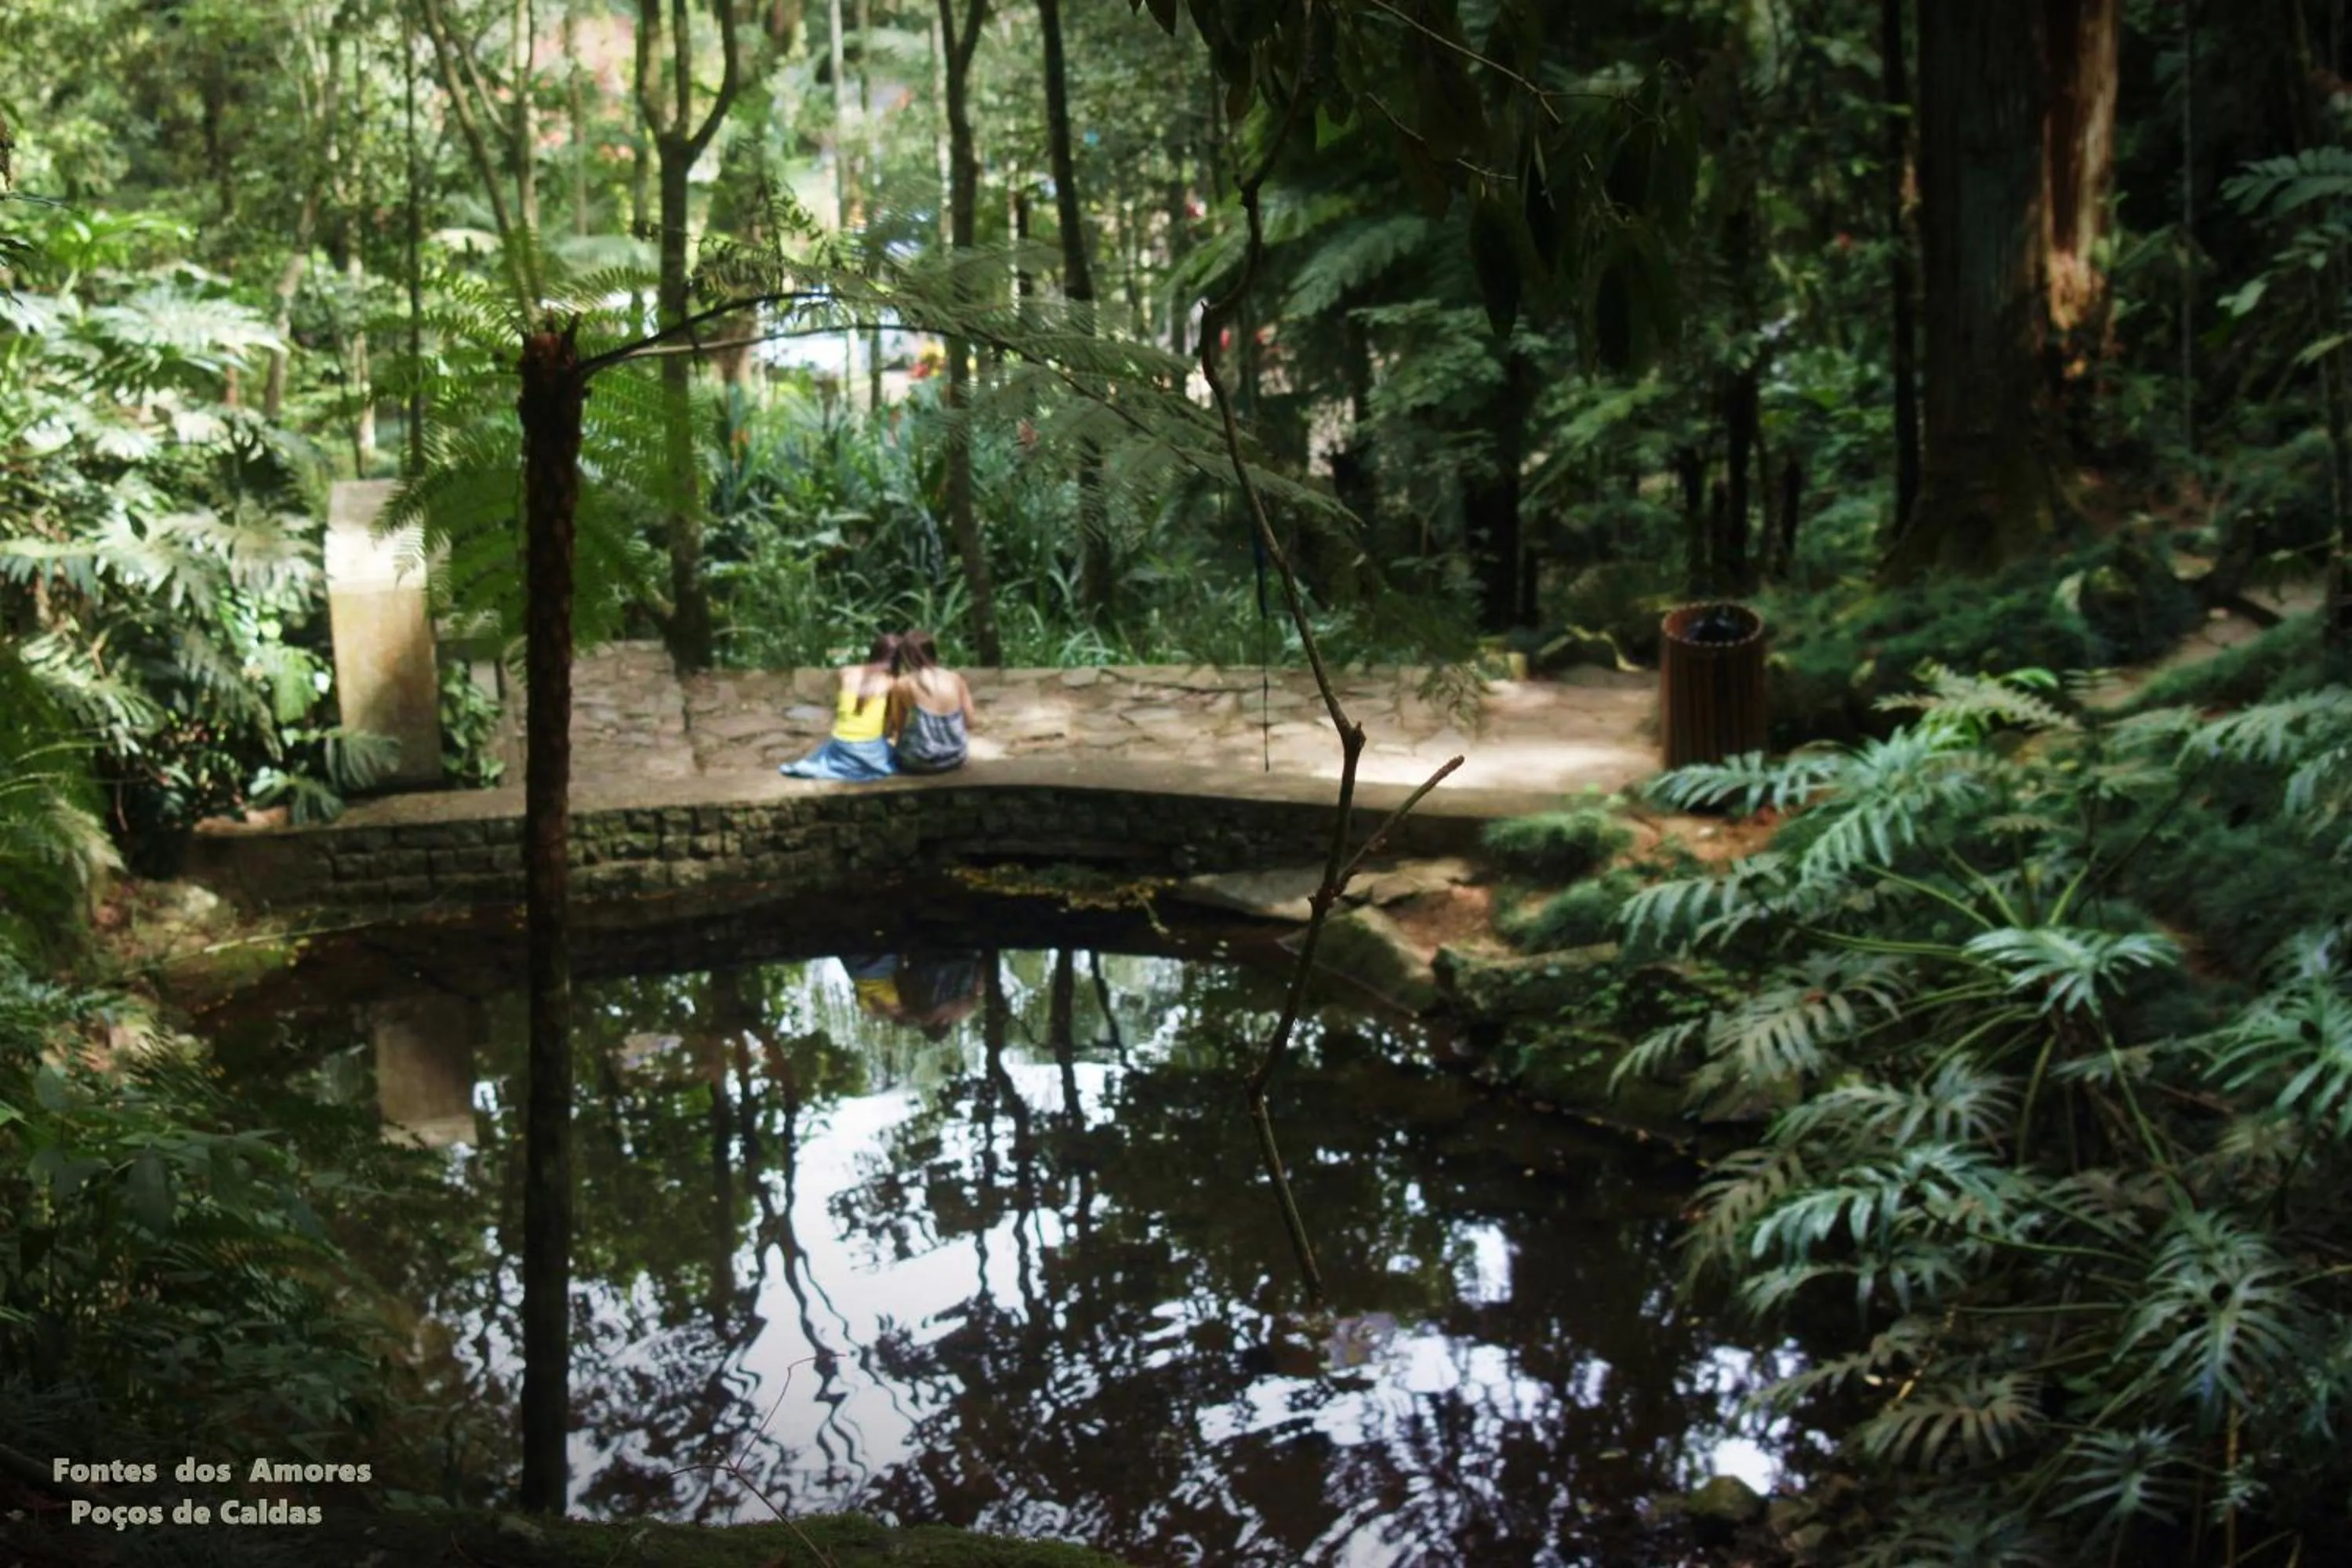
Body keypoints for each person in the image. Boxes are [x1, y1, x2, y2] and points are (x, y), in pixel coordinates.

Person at [781, 633, 903, 781]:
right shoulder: (893, 683)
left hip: (841, 744)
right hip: (869, 748)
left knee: (826, 750)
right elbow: (895, 724)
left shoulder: (846, 672)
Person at [886, 629, 975, 775]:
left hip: (918, 762)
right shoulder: (955, 678)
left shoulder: (903, 684)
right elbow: (970, 722)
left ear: (906, 657)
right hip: (955, 758)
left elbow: (898, 728)